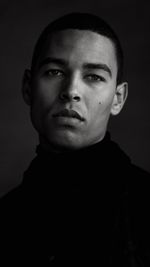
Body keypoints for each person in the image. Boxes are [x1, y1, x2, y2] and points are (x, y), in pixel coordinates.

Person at [1, 12, 150, 266]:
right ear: (28, 87)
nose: (71, 91)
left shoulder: (144, 205)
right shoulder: (7, 215)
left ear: (118, 98)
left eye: (93, 77)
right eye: (55, 72)